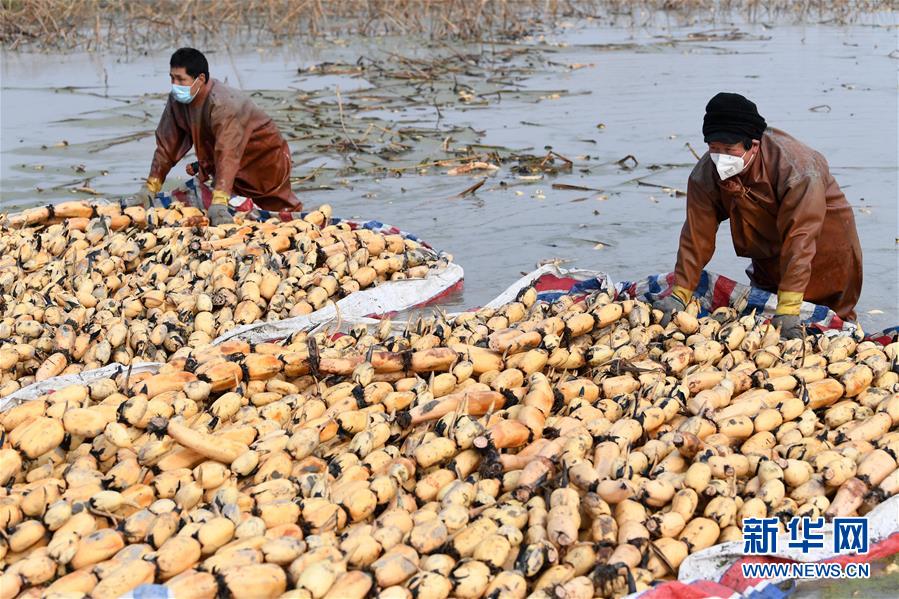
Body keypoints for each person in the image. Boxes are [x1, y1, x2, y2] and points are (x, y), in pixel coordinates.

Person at [654, 92, 862, 338]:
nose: (721, 158)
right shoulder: (706, 175)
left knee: (831, 321)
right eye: (713, 148)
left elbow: (801, 239)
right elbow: (695, 237)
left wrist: (788, 308)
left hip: (824, 248)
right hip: (767, 253)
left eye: (729, 150)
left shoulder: (797, 170)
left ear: (753, 145)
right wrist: (680, 293)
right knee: (763, 314)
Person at [132, 48, 301, 224]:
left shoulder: (223, 104)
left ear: (201, 79)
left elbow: (228, 153)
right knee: (240, 213)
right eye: (172, 78)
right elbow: (167, 145)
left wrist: (219, 200)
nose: (175, 85)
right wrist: (151, 187)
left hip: (263, 160)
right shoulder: (178, 100)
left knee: (278, 213)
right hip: (225, 164)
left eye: (181, 79)